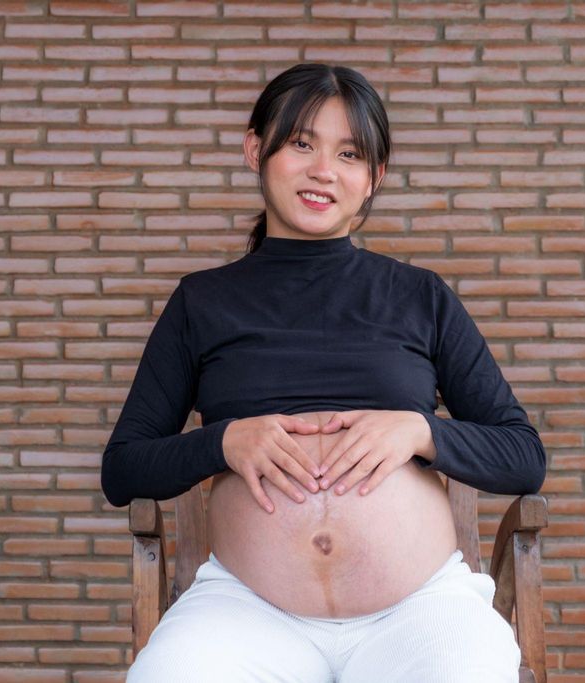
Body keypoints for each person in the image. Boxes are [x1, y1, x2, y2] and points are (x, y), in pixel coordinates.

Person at [101, 62, 547, 682]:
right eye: (302, 143)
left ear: (373, 179)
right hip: (245, 612)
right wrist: (223, 441)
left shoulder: (420, 297)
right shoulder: (202, 303)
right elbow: (123, 467)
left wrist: (420, 432)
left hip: (419, 610)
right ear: (256, 148)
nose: (323, 171)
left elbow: (523, 455)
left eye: (349, 154)